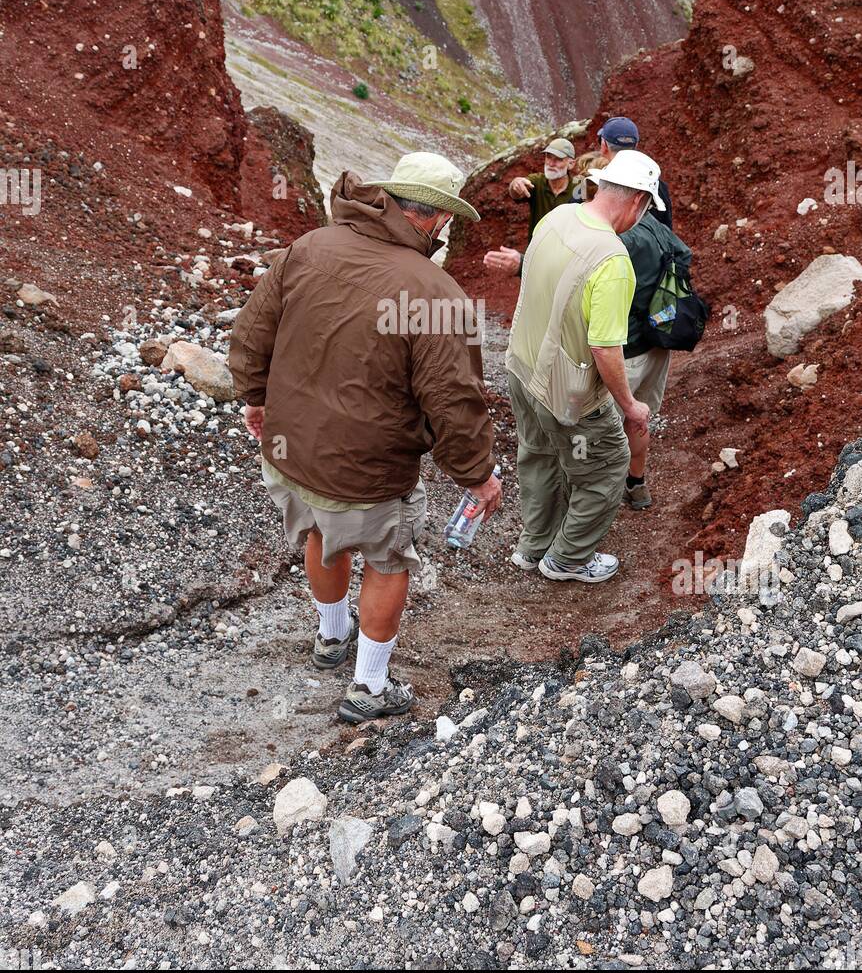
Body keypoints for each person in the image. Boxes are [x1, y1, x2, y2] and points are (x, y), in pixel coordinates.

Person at [229, 152, 501, 724]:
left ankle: (332, 637)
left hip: (293, 447)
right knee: (386, 558)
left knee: (321, 532)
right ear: (434, 220)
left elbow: (254, 330)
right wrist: (476, 473)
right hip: (370, 466)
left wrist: (256, 398)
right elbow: (453, 400)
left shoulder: (310, 246)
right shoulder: (436, 293)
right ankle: (369, 687)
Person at [505, 151, 665, 583]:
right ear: (637, 202)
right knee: (606, 467)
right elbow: (605, 347)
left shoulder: (556, 219)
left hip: (522, 369)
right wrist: (630, 406)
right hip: (566, 394)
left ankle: (533, 545)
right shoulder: (612, 261)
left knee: (538, 455)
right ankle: (568, 559)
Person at [615, 212, 693, 510]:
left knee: (603, 428)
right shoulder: (652, 224)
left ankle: (598, 500)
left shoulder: (620, 238)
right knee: (639, 417)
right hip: (657, 343)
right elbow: (684, 255)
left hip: (627, 348)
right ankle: (637, 484)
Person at [483, 135, 578, 277]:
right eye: (548, 157)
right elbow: (517, 190)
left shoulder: (578, 189)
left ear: (571, 164)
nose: (551, 163)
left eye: (558, 159)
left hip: (566, 260)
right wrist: (515, 184)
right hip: (536, 255)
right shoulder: (537, 182)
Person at [597, 116, 673, 228]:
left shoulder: (594, 183)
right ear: (636, 145)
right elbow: (667, 231)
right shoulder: (657, 186)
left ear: (604, 146)